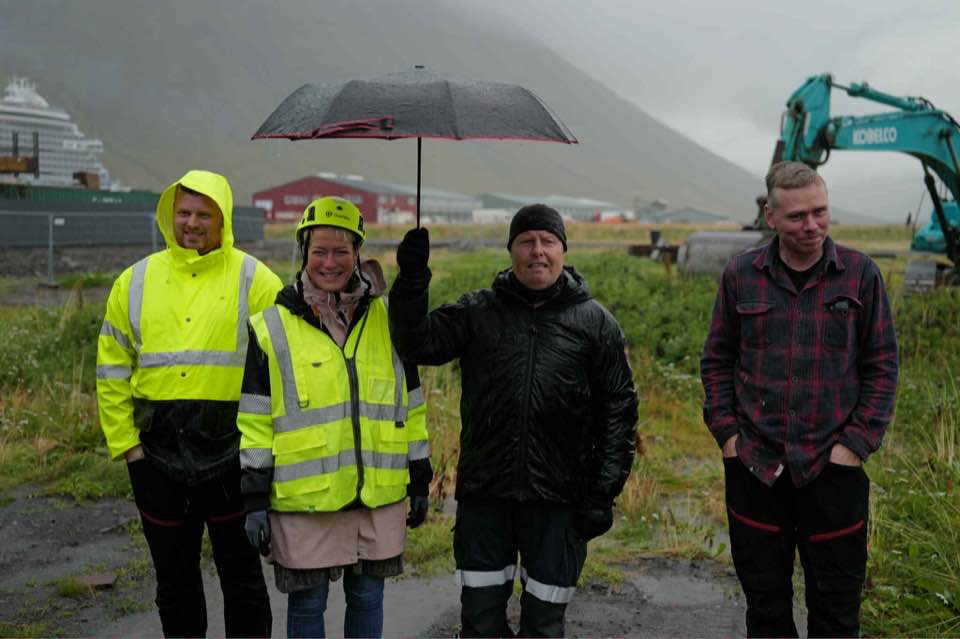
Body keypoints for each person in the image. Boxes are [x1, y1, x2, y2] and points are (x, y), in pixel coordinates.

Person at [389, 204, 639, 638]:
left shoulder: (596, 324)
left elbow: (619, 413)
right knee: (480, 622)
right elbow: (416, 343)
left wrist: (603, 493)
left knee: (544, 625)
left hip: (560, 502)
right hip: (485, 497)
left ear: (562, 250)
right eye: (526, 241)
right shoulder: (477, 311)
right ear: (511, 251)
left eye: (548, 241)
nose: (537, 251)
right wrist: (412, 281)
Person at [700, 161, 898, 638]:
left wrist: (854, 447)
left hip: (833, 472)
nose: (811, 225)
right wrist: (728, 437)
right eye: (797, 216)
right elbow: (717, 360)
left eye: (819, 212)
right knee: (766, 612)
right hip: (755, 470)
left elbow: (882, 366)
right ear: (771, 216)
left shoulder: (860, 275)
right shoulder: (741, 275)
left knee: (837, 615)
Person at [96, 170, 281, 637]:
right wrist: (129, 448)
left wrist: (266, 452)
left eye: (204, 214)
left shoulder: (256, 280)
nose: (192, 224)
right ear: (169, 215)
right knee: (174, 581)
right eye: (183, 213)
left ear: (223, 220)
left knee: (242, 578)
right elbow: (112, 370)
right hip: (156, 457)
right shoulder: (134, 281)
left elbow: (282, 368)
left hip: (233, 456)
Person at [237, 196, 432, 639]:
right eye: (319, 251)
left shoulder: (389, 319)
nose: (330, 263)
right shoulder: (271, 327)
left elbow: (411, 402)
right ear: (304, 252)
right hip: (304, 501)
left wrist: (419, 474)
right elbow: (255, 420)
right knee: (308, 604)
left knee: (367, 597)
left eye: (341, 251)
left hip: (377, 495)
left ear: (357, 253)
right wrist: (254, 499)